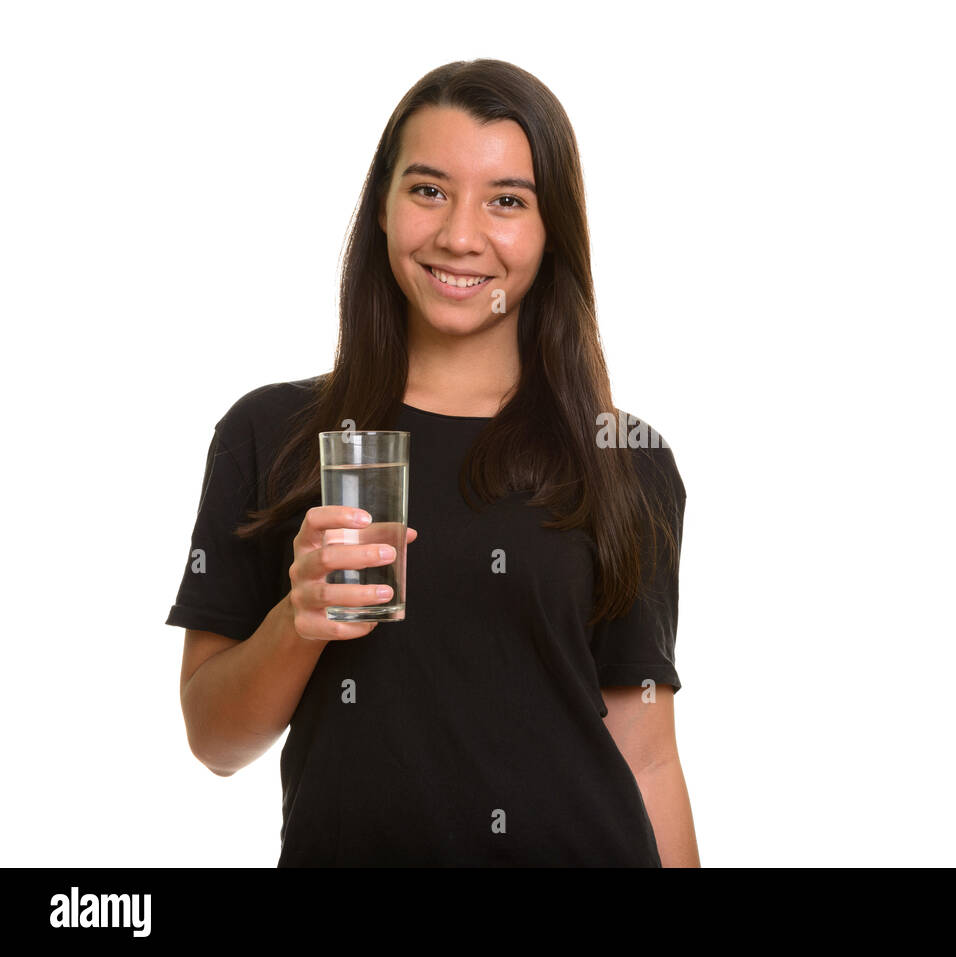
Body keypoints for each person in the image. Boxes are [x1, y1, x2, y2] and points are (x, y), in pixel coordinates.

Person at [165, 59, 698, 867]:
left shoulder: (625, 460)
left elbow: (647, 751)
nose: (459, 235)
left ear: (553, 229)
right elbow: (214, 740)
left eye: (507, 201)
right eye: (428, 190)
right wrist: (297, 620)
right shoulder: (270, 433)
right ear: (382, 206)